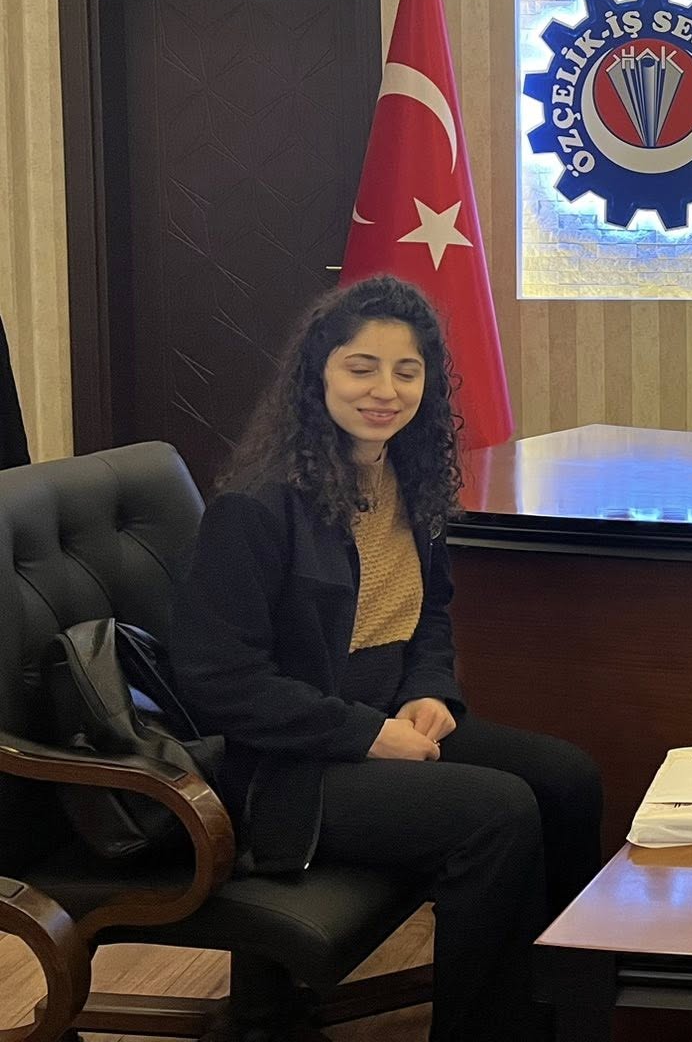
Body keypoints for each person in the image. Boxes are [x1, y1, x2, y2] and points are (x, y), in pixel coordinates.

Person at [170, 275, 603, 1042]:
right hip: (288, 765)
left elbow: (428, 613)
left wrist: (431, 691)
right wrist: (367, 734)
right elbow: (220, 682)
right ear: (320, 373)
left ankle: (561, 1012)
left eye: (407, 371)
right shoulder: (256, 507)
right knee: (497, 814)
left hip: (387, 716)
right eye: (361, 367)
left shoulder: (408, 477)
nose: (385, 390)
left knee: (567, 778)